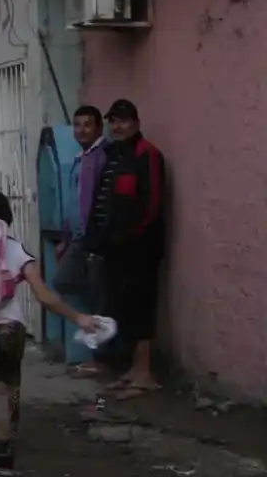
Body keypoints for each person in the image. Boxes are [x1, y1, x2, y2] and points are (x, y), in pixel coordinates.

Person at [0, 189, 97, 475]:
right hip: (11, 327)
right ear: (7, 218)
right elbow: (44, 295)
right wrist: (78, 317)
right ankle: (5, 453)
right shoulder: (16, 249)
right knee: (9, 384)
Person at [85, 99, 166, 399]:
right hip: (115, 248)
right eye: (113, 122)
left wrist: (133, 238)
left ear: (136, 123)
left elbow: (152, 204)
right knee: (124, 308)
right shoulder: (115, 157)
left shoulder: (148, 155)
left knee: (141, 307)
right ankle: (133, 369)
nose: (117, 127)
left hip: (140, 248)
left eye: (123, 121)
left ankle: (145, 374)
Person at [53, 105, 110, 376]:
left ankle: (100, 358)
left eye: (87, 125)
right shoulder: (81, 157)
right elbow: (72, 201)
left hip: (92, 238)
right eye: (77, 125)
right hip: (77, 238)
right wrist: (65, 238)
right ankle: (100, 335)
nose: (81, 130)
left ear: (98, 128)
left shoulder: (101, 156)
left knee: (97, 294)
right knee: (64, 281)